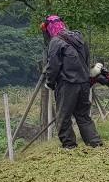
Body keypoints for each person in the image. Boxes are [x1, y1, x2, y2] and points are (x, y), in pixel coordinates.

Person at [43, 15, 103, 149]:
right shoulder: (78, 38)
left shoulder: (55, 42)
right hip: (83, 82)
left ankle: (69, 146)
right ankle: (95, 142)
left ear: (49, 28)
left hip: (67, 84)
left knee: (63, 116)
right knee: (83, 115)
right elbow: (87, 58)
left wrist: (50, 82)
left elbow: (53, 65)